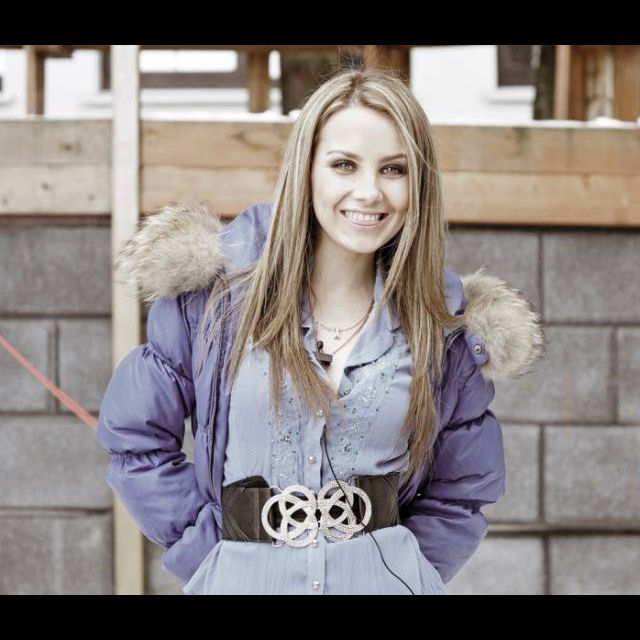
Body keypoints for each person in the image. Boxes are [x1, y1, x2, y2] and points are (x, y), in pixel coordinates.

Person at [97, 66, 545, 595]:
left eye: (394, 169)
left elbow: (462, 490)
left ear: (419, 184)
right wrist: (206, 556)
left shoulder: (443, 328)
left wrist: (409, 573)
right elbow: (137, 439)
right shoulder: (213, 300)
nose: (369, 192)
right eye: (344, 165)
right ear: (306, 169)